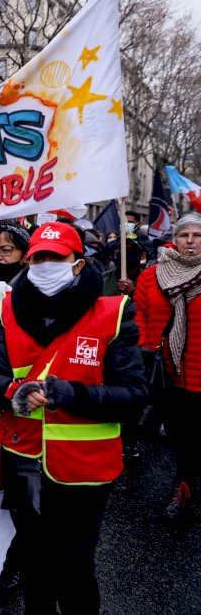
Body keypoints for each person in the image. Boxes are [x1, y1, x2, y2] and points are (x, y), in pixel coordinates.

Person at [0, 221, 146, 614]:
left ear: (78, 264)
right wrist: (12, 392)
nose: (45, 264)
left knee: (74, 566)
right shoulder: (8, 310)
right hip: (23, 462)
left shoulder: (112, 313)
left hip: (85, 470)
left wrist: (73, 394)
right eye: (38, 257)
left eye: (56, 257)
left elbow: (135, 396)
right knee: (34, 562)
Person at [133, 212, 201, 522]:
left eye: (198, 235)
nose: (191, 241)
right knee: (175, 431)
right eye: (185, 235)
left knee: (194, 434)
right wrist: (146, 350)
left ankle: (183, 484)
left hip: (198, 369)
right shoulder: (152, 275)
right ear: (175, 238)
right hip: (166, 371)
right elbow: (140, 316)